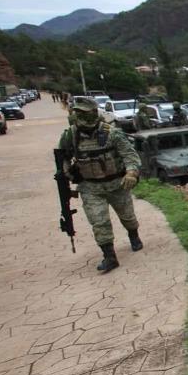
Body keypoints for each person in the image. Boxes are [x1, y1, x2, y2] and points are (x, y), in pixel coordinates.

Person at [57, 98, 142, 273]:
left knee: (128, 217)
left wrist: (131, 173)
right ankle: (109, 256)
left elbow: (129, 155)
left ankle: (133, 235)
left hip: (116, 184)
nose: (82, 116)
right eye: (79, 113)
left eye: (85, 113)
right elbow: (62, 158)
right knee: (99, 221)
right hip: (90, 187)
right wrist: (65, 174)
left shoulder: (112, 133)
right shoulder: (70, 135)